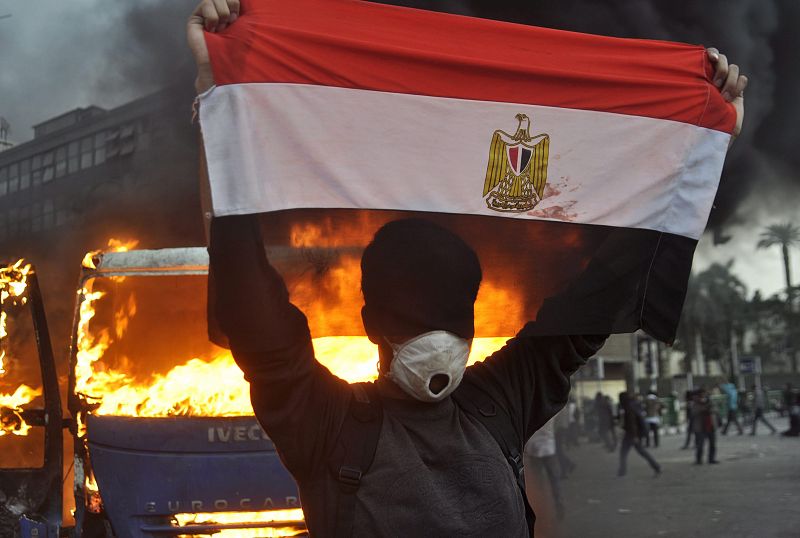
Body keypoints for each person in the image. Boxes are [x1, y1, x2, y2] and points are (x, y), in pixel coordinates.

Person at [188, 1, 746, 534]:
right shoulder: (328, 424)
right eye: (416, 315)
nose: (439, 336)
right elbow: (250, 301)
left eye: (453, 314)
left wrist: (697, 146)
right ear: (371, 325)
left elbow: (598, 296)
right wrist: (217, 96)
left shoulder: (496, 402)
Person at [524, 416, 565, 522]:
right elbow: (557, 425)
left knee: (538, 482)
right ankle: (558, 506)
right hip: (549, 448)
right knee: (554, 480)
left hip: (533, 449)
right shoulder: (549, 411)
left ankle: (541, 509)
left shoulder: (530, 413)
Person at [617, 391, 661, 477]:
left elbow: (632, 423)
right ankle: (656, 466)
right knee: (639, 451)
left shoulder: (628, 407)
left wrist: (634, 436)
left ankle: (622, 470)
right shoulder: (634, 404)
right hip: (635, 433)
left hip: (632, 434)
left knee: (625, 452)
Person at [691, 387, 719, 464]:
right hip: (700, 427)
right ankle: (698, 459)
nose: (704, 395)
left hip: (710, 425)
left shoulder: (710, 401)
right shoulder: (695, 402)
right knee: (700, 445)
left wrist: (711, 408)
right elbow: (694, 412)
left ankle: (711, 459)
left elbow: (716, 410)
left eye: (705, 393)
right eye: (702, 394)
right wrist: (703, 408)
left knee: (712, 444)